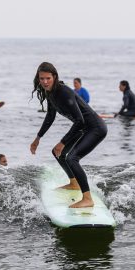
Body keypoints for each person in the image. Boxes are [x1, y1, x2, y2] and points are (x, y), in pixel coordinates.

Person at [29, 62, 107, 209]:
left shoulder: (64, 92)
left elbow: (80, 120)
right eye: (42, 79)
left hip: (95, 128)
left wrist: (63, 142)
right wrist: (37, 138)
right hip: (84, 128)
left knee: (71, 158)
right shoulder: (50, 93)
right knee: (57, 153)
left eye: (48, 78)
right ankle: (74, 183)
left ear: (54, 77)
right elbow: (50, 116)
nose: (45, 82)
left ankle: (87, 198)